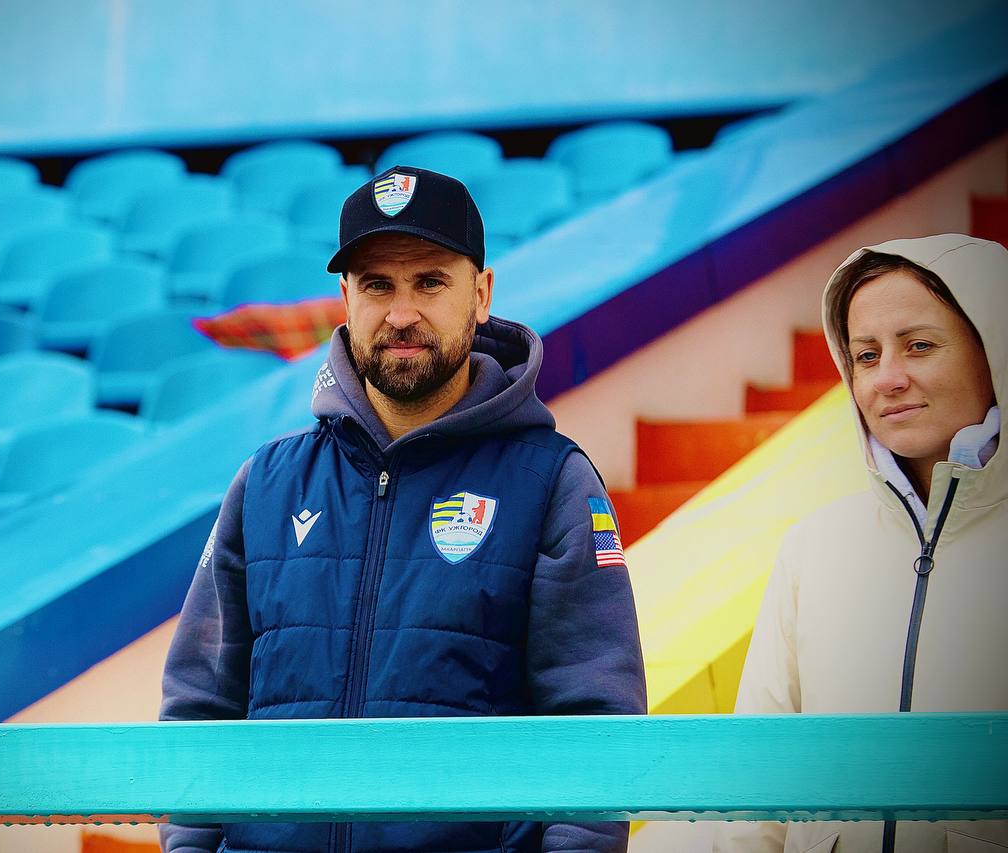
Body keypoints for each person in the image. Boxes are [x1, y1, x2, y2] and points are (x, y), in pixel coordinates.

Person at [160, 165, 647, 853]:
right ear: (345, 298)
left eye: (430, 282)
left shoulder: (552, 483)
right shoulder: (265, 485)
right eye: (377, 284)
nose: (401, 313)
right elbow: (199, 706)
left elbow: (595, 721)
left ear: (482, 293)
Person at [715, 234, 1007, 853]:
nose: (888, 379)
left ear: (994, 351)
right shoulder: (812, 547)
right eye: (866, 356)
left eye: (919, 345)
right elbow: (757, 777)